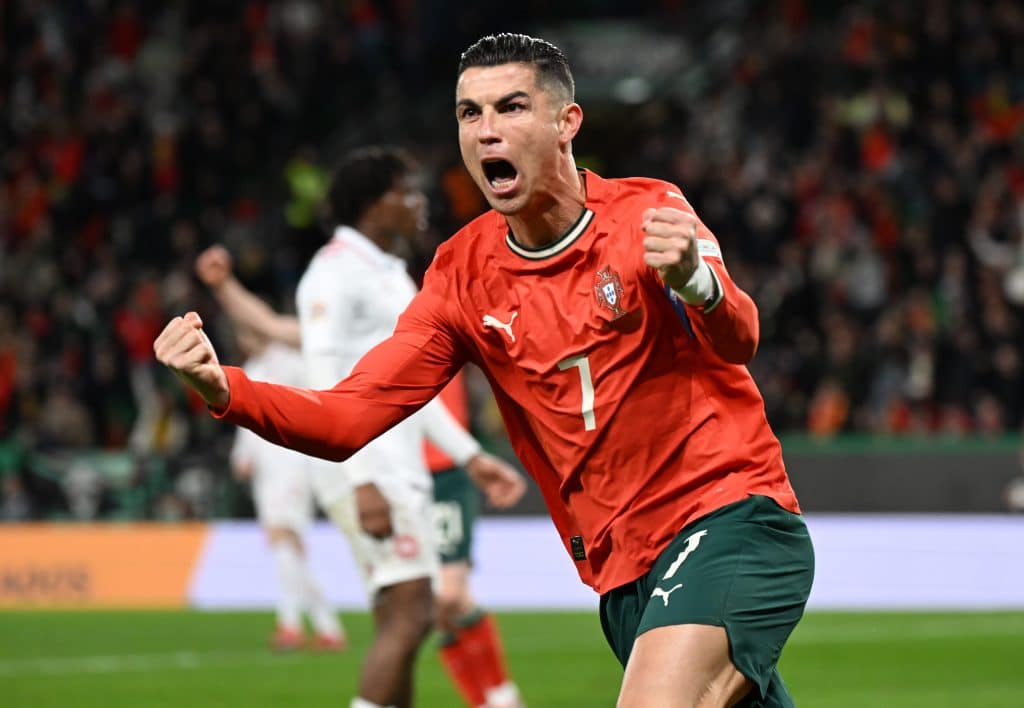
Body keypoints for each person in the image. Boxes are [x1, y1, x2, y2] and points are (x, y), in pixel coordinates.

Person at [157, 33, 815, 708]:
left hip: (731, 521)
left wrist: (697, 281)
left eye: (511, 108)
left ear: (567, 122)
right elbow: (348, 417)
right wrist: (224, 388)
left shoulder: (649, 214)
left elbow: (740, 338)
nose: (487, 131)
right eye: (470, 114)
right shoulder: (460, 277)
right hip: (624, 573)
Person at [194, 146, 526, 708]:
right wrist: (361, 479)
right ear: (374, 205)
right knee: (412, 614)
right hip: (371, 470)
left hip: (398, 463)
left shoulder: (389, 273)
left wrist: (468, 456)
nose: (421, 202)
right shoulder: (333, 273)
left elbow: (408, 391)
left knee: (405, 618)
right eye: (408, 192)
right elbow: (326, 378)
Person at [229, 325, 345, 652]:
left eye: (249, 333)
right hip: (266, 474)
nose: (245, 339)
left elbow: (315, 402)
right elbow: (246, 420)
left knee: (283, 538)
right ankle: (327, 626)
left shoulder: (293, 363)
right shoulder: (251, 370)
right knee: (289, 546)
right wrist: (242, 455)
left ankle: (291, 624)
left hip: (294, 466)